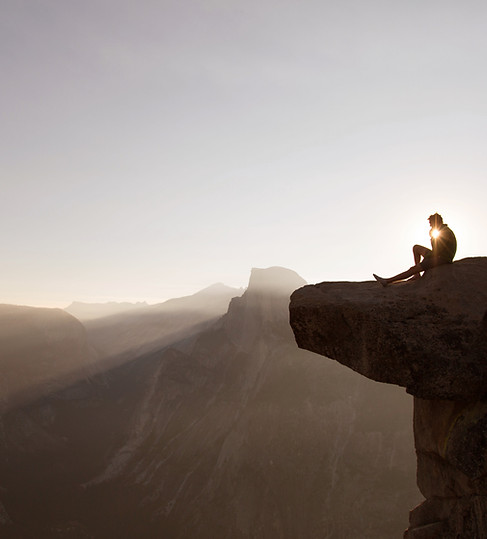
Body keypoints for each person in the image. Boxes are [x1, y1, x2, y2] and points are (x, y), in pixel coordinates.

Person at [373, 213, 457, 287]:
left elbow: (437, 251)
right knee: (416, 248)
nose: (430, 226)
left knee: (413, 269)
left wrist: (426, 259)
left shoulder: (444, 232)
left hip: (442, 258)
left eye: (431, 223)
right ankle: (417, 275)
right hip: (438, 254)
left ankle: (387, 281)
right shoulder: (442, 230)